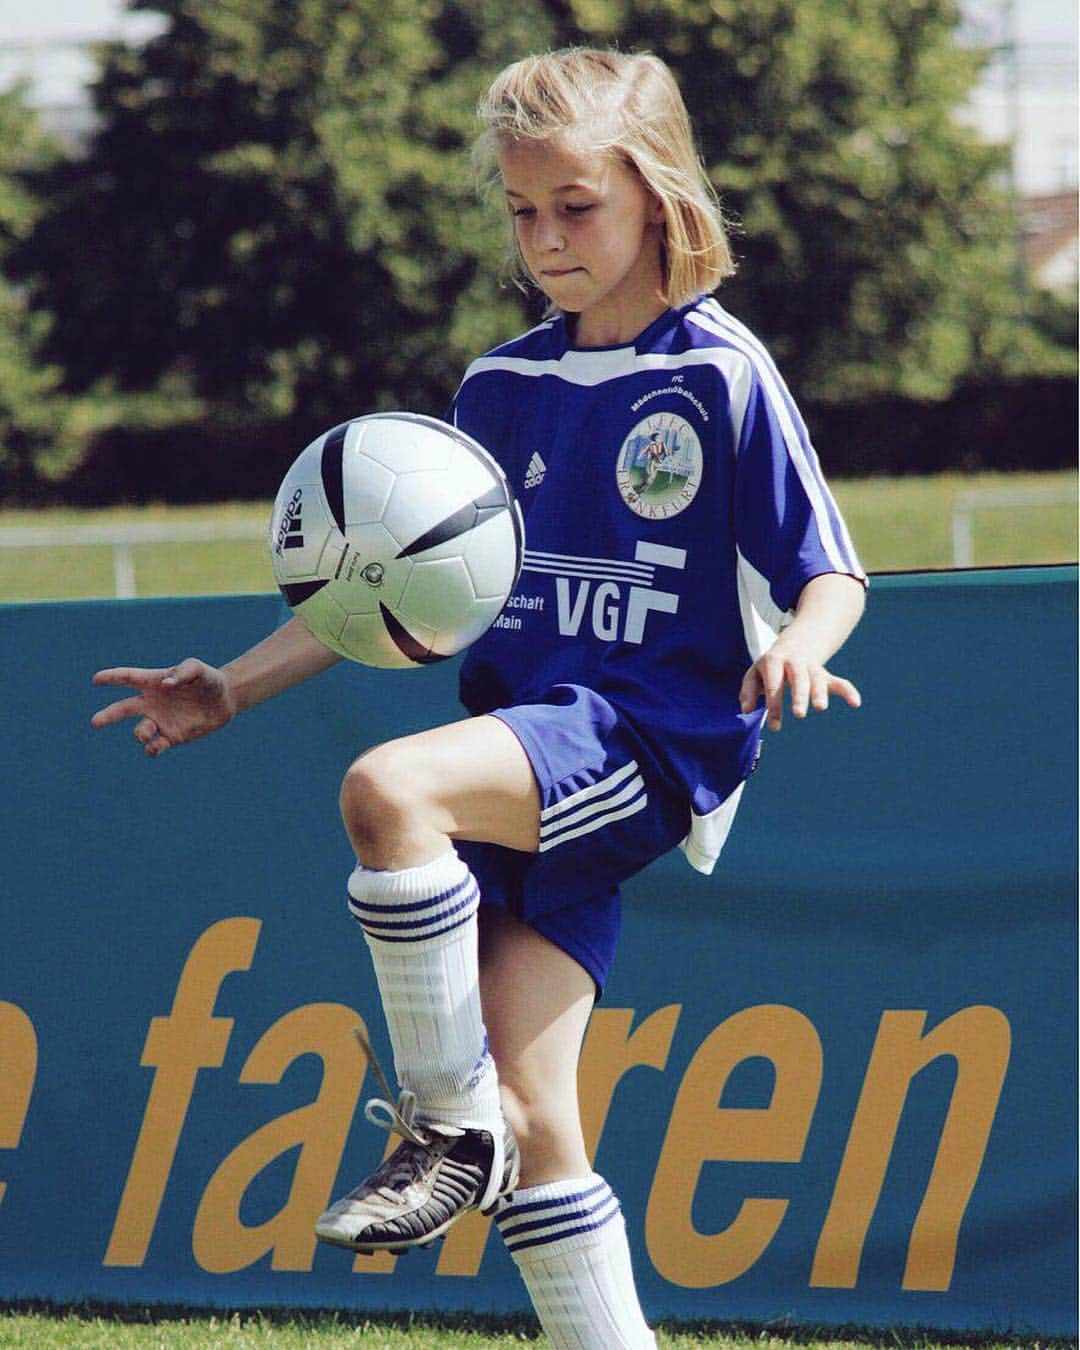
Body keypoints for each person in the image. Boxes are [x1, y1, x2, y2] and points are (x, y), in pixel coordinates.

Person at [92, 47, 866, 1350]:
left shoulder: (720, 374)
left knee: (389, 789)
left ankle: (436, 1118)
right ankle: (493, 1148)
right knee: (541, 1117)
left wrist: (801, 642)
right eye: (522, 211)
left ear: (659, 196)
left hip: (639, 741)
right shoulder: (495, 390)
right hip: (524, 759)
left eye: (577, 206)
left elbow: (831, 570)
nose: (547, 238)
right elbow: (384, 595)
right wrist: (233, 683)